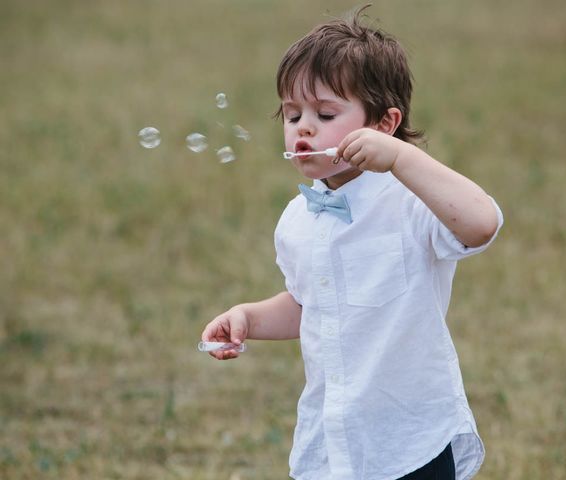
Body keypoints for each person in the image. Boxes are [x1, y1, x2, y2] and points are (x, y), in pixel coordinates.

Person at [201, 5, 503, 480]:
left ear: (383, 124)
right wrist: (249, 317)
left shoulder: (411, 202)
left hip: (410, 441)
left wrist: (402, 157)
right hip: (335, 439)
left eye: (324, 113)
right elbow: (312, 304)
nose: (303, 127)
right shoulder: (299, 217)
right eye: (292, 113)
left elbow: (482, 222)